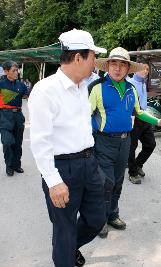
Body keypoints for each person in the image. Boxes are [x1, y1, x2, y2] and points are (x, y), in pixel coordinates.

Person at [28, 29, 107, 267]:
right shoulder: (45, 90)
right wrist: (53, 181)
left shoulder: (83, 86)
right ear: (78, 58)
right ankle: (66, 255)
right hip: (62, 168)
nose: (96, 62)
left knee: (96, 219)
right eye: (93, 56)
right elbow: (40, 140)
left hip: (89, 163)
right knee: (64, 229)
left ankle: (70, 248)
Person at [89, 47, 161, 238]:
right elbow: (85, 116)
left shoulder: (131, 88)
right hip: (103, 142)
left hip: (124, 142)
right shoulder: (97, 87)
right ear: (107, 66)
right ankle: (100, 220)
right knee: (106, 182)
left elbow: (139, 111)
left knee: (118, 182)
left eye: (122, 65)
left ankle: (112, 215)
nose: (117, 68)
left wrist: (157, 121)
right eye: (114, 64)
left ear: (128, 69)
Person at [126, 64, 155, 184]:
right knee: (132, 147)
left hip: (144, 117)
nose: (146, 71)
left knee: (151, 144)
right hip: (134, 118)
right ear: (136, 70)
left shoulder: (143, 83)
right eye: (143, 69)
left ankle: (138, 164)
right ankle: (132, 173)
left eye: (147, 69)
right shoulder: (130, 83)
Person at [0, 60, 29, 176]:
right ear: (6, 71)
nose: (17, 72)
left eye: (17, 70)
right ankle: (9, 165)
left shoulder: (21, 85)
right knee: (7, 142)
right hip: (4, 116)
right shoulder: (1, 84)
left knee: (18, 142)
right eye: (14, 70)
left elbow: (27, 97)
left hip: (18, 116)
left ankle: (17, 165)